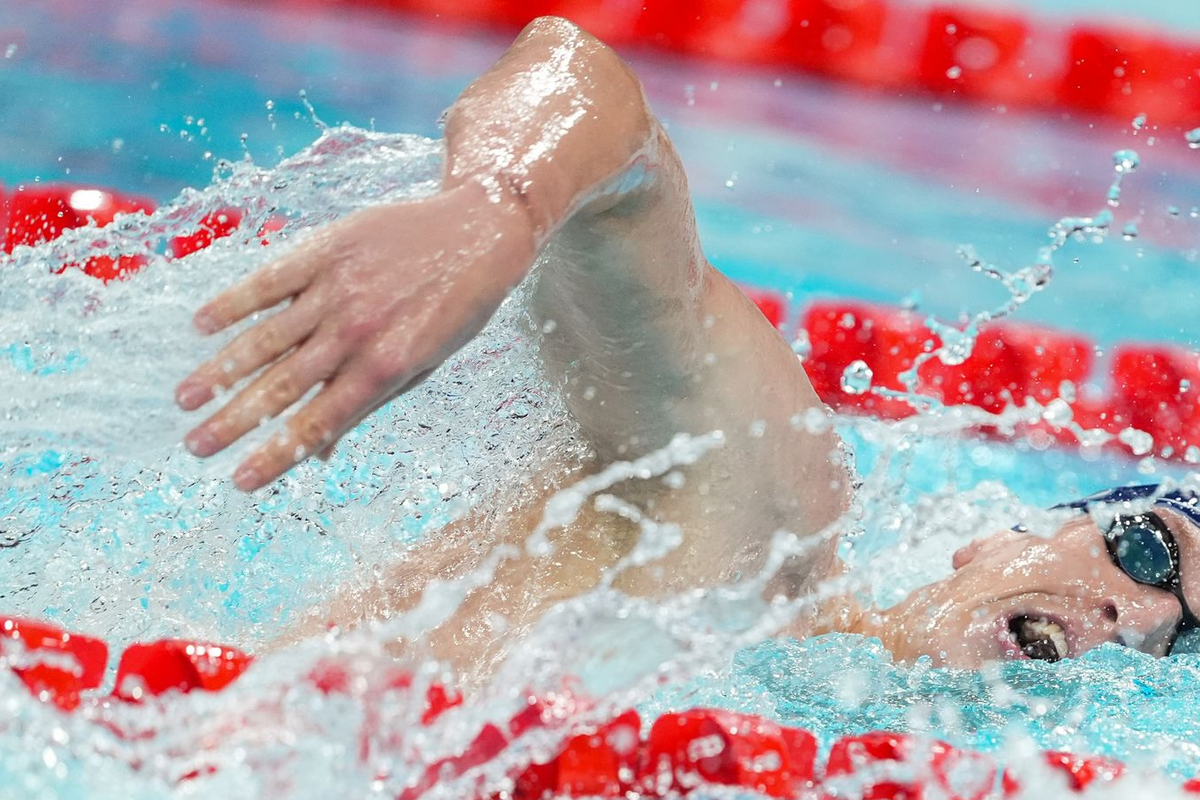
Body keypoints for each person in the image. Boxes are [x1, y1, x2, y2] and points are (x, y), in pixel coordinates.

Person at [174, 17, 1200, 673]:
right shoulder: (761, 534)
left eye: (1188, 642)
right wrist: (499, 204)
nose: (1140, 619)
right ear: (1002, 536)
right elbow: (587, 81)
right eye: (1150, 551)